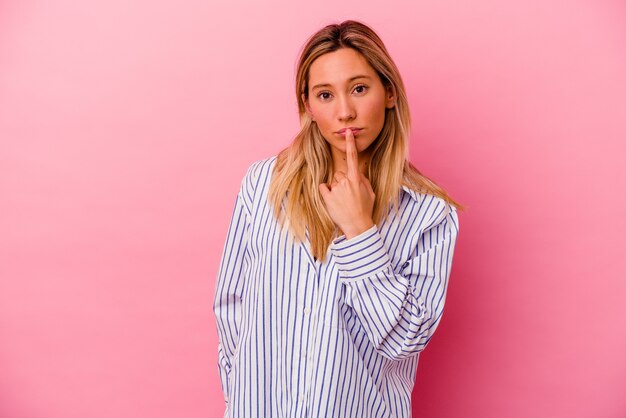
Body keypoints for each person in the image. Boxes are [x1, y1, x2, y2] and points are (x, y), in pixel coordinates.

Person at [213, 19, 464, 418]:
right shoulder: (262, 185)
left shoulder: (429, 214)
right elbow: (230, 308)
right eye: (325, 95)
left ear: (390, 93)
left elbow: (405, 339)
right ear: (308, 107)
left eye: (359, 89)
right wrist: (239, 401)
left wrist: (361, 231)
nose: (345, 112)